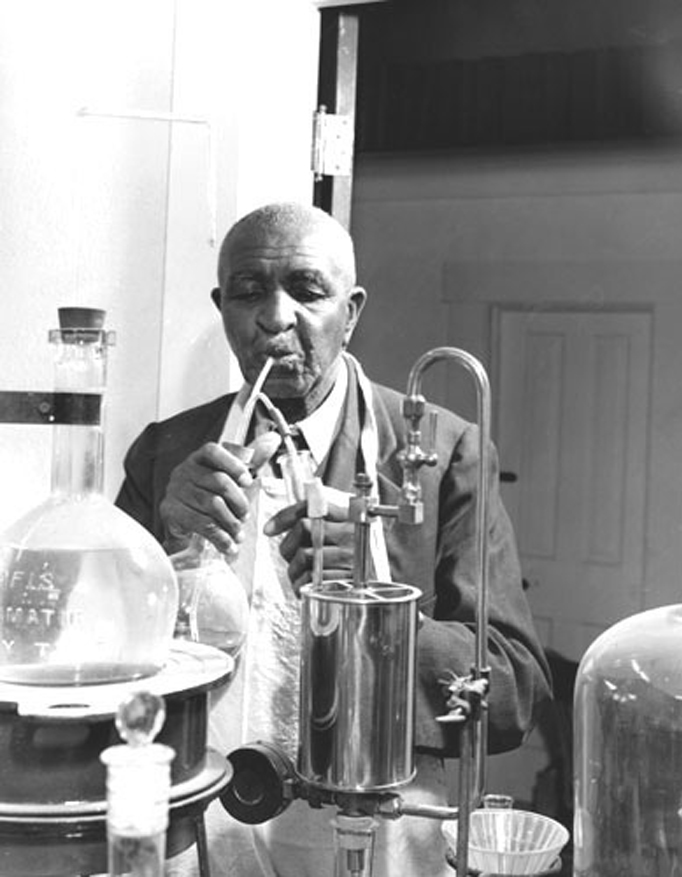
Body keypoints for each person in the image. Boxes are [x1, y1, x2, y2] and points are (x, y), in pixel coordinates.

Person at [115, 201, 552, 877]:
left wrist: (376, 609)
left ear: (351, 311)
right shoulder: (165, 454)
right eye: (249, 292)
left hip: (376, 841)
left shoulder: (442, 452)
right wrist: (163, 549)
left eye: (308, 291)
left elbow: (515, 691)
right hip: (200, 835)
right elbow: (99, 664)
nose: (276, 316)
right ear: (222, 305)